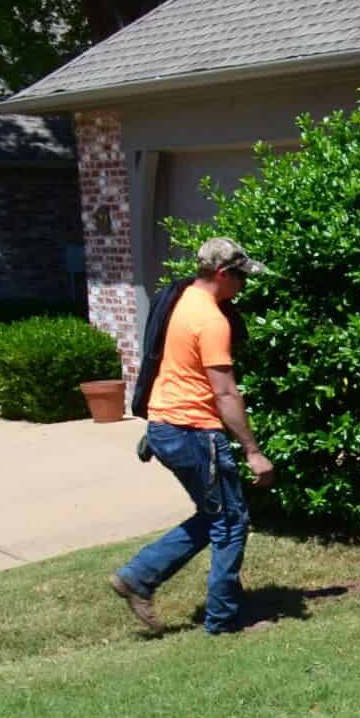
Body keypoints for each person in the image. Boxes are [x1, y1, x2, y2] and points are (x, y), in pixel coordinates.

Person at [107, 237, 275, 634]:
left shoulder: (179, 298)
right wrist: (253, 451)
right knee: (230, 522)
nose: (244, 284)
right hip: (193, 432)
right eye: (240, 276)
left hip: (166, 426)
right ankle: (223, 620)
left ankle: (138, 577)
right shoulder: (211, 320)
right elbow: (225, 392)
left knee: (215, 515)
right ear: (222, 273)